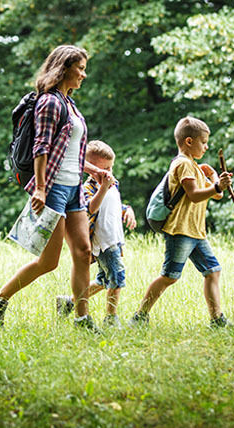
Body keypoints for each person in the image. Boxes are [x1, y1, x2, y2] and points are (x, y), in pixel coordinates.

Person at [0, 45, 111, 332]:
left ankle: (82, 319)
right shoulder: (50, 102)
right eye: (80, 68)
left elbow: (69, 151)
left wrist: (93, 170)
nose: (84, 74)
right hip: (52, 188)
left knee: (82, 251)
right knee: (49, 261)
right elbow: (41, 147)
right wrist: (40, 188)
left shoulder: (70, 104)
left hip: (73, 188)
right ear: (64, 67)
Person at [128, 115, 234, 329]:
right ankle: (139, 316)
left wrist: (215, 179)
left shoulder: (194, 166)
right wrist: (217, 186)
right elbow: (195, 194)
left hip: (196, 232)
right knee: (169, 276)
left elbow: (217, 195)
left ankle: (217, 320)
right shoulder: (183, 165)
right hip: (180, 231)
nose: (206, 147)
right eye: (203, 142)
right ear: (189, 141)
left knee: (213, 271)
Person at [55, 140, 137, 329]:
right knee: (117, 276)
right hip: (102, 240)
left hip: (114, 237)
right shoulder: (87, 188)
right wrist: (102, 187)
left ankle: (69, 301)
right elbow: (90, 209)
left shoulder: (113, 183)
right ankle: (111, 318)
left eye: (110, 167)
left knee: (103, 280)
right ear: (91, 169)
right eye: (104, 168)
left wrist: (127, 209)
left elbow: (114, 206)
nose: (109, 172)